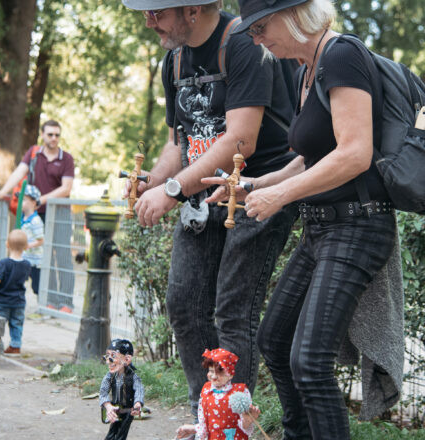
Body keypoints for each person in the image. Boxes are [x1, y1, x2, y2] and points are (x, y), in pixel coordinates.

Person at [203, 1, 397, 438]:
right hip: (322, 228)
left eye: (261, 27)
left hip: (357, 226)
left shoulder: (342, 55)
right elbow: (311, 157)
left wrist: (279, 197)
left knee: (309, 362)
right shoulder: (304, 71)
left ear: (294, 15)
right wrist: (251, 186)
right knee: (274, 340)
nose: (255, 39)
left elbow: (354, 152)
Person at [121, 0, 298, 417]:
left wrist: (172, 189)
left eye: (157, 13)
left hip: (256, 192)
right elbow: (177, 145)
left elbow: (240, 141)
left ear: (194, 10)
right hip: (202, 196)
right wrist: (154, 182)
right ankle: (205, 414)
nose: (149, 22)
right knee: (185, 304)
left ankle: (230, 422)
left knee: (234, 311)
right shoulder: (175, 60)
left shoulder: (242, 45)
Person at [0, 120, 75, 312]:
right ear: (42, 135)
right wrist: (3, 191)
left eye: (57, 135)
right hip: (38, 216)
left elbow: (66, 188)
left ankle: (66, 301)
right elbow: (19, 172)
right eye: (50, 134)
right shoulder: (34, 155)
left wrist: (39, 200)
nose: (54, 138)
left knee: (62, 256)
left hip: (59, 215)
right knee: (46, 258)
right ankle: (50, 300)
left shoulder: (66, 158)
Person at [176, 348, 260, 440]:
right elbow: (204, 424)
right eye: (211, 371)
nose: (214, 376)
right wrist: (193, 429)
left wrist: (248, 420)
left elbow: (245, 426)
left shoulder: (239, 392)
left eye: (220, 372)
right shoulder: (206, 391)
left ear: (230, 374)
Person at [0, 229, 31, 356]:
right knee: (16, 324)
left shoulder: (4, 263)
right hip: (19, 302)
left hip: (2, 301)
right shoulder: (27, 264)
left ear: (7, 245)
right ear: (26, 246)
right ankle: (15, 346)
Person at [99, 339, 145, 440]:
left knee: (121, 435)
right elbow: (103, 392)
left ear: (127, 359)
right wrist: (108, 406)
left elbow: (139, 389)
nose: (108, 361)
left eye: (113, 356)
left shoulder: (133, 377)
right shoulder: (109, 377)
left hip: (128, 411)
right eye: (107, 356)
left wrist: (138, 403)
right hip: (115, 409)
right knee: (112, 433)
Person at [21, 185, 44, 297]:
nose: (21, 202)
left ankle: (40, 307)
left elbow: (41, 240)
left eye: (24, 199)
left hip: (35, 260)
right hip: (24, 258)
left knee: (37, 287)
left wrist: (28, 245)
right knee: (19, 281)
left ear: (34, 202)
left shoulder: (35, 220)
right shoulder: (22, 218)